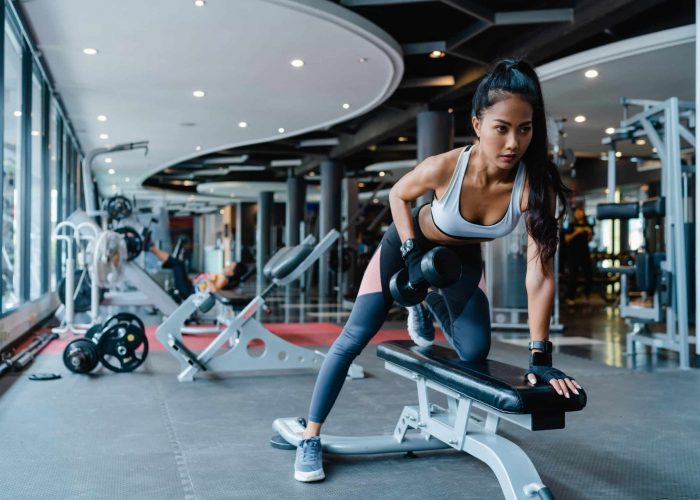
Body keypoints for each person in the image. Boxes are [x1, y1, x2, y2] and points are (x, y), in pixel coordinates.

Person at [292, 58, 584, 483]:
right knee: (355, 336)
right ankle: (311, 435)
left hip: (459, 262)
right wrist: (410, 252)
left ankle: (426, 302)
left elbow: (539, 273)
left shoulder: (534, 187)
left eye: (525, 128)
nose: (513, 142)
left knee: (473, 351)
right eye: (501, 127)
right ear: (478, 123)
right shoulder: (447, 167)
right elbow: (398, 195)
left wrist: (540, 356)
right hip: (407, 248)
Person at [145, 236, 249, 301]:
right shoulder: (223, 277)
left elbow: (215, 290)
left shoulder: (224, 279)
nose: (227, 266)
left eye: (230, 267)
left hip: (189, 292)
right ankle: (152, 248)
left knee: (178, 264)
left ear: (232, 273)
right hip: (190, 287)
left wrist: (209, 280)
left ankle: (152, 248)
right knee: (177, 264)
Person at [564, 206, 593, 306]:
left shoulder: (588, 225)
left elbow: (589, 240)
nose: (578, 213)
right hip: (573, 254)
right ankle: (571, 297)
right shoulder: (571, 225)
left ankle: (586, 296)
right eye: (577, 212)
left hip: (585, 253)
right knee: (573, 276)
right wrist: (576, 233)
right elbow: (566, 239)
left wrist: (589, 234)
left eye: (580, 211)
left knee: (588, 275)